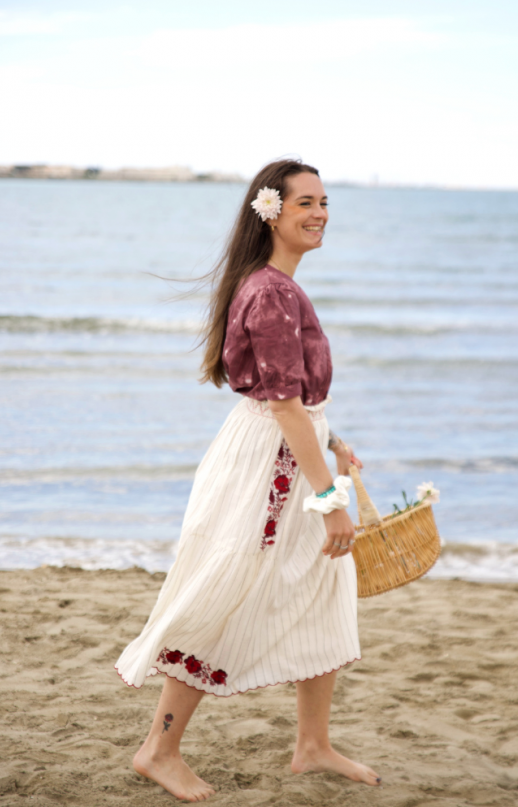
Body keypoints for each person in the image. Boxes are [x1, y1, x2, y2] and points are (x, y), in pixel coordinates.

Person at [115, 158, 381, 801]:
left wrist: (331, 438)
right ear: (271, 213)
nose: (319, 214)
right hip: (272, 465)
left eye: (325, 203)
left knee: (323, 587)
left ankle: (312, 746)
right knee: (230, 591)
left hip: (294, 446)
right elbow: (282, 405)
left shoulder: (279, 287)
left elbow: (293, 399)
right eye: (305, 204)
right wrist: (330, 501)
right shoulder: (269, 291)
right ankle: (159, 748)